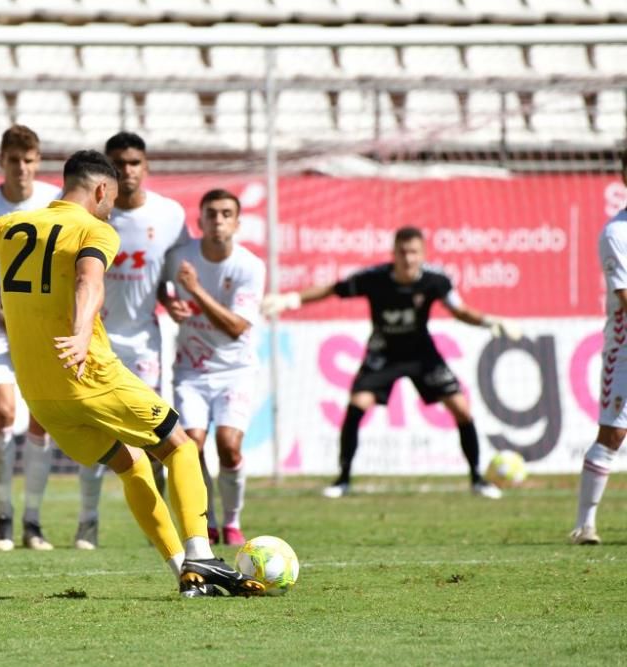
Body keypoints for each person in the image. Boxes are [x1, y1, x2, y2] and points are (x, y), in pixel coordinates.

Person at [0, 149, 264, 597]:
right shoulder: (94, 229)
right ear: (101, 190)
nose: (112, 208)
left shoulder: (7, 227)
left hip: (41, 395)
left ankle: (186, 574)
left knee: (132, 464)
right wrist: (82, 333)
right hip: (90, 375)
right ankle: (200, 554)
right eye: (112, 198)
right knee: (180, 447)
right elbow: (90, 281)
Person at [261, 226, 521, 499]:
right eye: (403, 252)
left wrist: (490, 321)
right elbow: (331, 290)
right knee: (357, 405)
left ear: (422, 254)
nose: (408, 258)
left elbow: (460, 310)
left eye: (413, 252)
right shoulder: (374, 278)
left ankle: (477, 479)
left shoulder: (436, 281)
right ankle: (343, 479)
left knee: (462, 409)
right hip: (383, 353)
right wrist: (290, 299)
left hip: (422, 353)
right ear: (393, 253)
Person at [73, 131, 190, 551]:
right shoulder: (87, 216)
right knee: (98, 436)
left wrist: (170, 298)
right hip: (95, 342)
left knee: (154, 437)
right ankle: (87, 522)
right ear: (107, 171)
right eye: (118, 164)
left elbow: (171, 271)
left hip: (143, 344)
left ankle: (159, 529)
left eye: (134, 162)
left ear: (146, 166)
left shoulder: (170, 215)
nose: (127, 171)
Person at [0, 125, 61, 551]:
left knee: (42, 419)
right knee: (3, 414)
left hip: (44, 332)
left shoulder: (55, 203)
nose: (21, 167)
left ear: (37, 161)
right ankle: (3, 516)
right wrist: (7, 318)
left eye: (28, 159)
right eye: (13, 159)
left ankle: (33, 522)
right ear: (1, 161)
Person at [163, 189, 265, 546]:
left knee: (228, 445)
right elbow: (157, 284)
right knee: (191, 444)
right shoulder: (179, 256)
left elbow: (237, 327)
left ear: (237, 222)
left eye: (226, 214)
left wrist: (193, 291)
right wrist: (170, 302)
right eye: (212, 214)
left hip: (234, 371)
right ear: (200, 221)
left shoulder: (250, 266)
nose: (218, 221)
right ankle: (204, 519)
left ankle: (233, 522)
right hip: (191, 369)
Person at [569, 151, 627, 545]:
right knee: (613, 435)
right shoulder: (616, 233)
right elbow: (624, 295)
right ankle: (584, 524)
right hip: (625, 351)